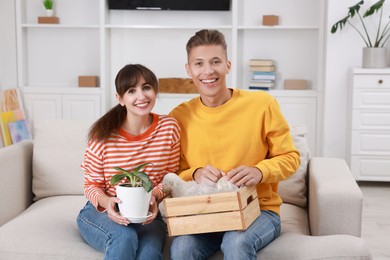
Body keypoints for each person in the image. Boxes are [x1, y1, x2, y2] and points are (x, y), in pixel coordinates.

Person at [169, 29, 301, 259]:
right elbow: (173, 172)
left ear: (228, 65)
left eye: (215, 62)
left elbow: (291, 158)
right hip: (207, 212)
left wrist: (260, 171)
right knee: (181, 247)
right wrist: (196, 173)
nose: (208, 71)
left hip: (260, 210)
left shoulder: (262, 104)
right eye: (199, 63)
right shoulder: (179, 116)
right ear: (189, 70)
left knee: (236, 242)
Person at [76, 64, 181, 259]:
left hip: (147, 213)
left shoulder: (169, 128)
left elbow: (170, 178)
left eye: (146, 87)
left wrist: (154, 197)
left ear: (155, 91)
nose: (141, 96)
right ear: (120, 98)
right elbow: (91, 185)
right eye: (131, 91)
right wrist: (107, 203)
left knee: (149, 254)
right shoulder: (102, 135)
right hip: (102, 211)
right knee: (124, 238)